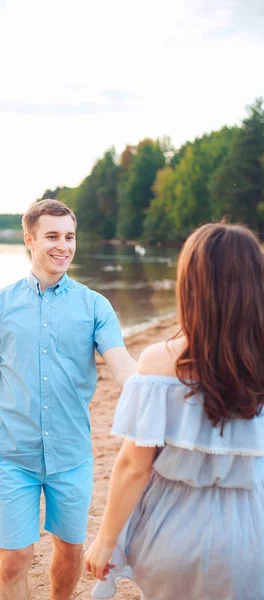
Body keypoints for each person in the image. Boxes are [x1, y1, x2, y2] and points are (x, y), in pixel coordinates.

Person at [0, 199, 136, 600]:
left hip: (72, 456)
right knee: (15, 559)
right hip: (13, 456)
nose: (63, 246)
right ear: (30, 240)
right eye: (52, 236)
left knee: (70, 551)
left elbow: (122, 365)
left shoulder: (95, 306)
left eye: (69, 236)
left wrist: (161, 391)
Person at [85, 222, 264, 600]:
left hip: (174, 529)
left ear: (190, 285)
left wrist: (106, 539)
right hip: (253, 532)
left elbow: (134, 466)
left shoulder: (159, 361)